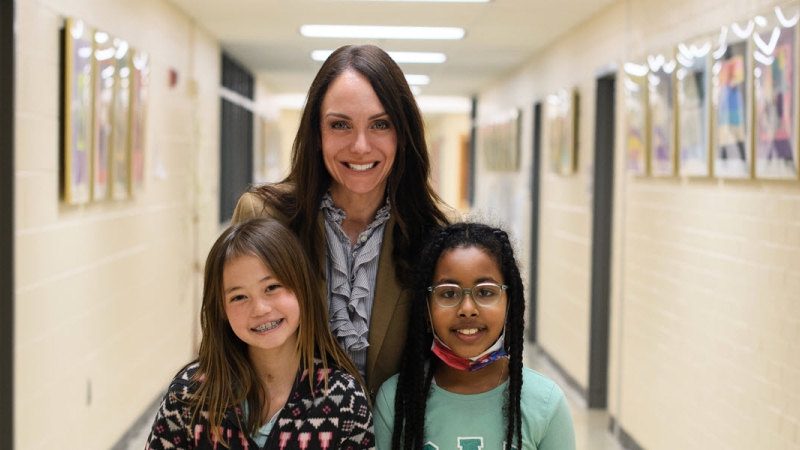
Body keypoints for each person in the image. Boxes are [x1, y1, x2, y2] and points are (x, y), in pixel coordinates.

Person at [232, 44, 453, 396]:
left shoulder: (436, 234)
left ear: (403, 135)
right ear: (317, 134)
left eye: (381, 124)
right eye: (340, 125)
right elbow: (228, 342)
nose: (361, 146)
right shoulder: (264, 218)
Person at [145, 218, 374, 450]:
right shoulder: (189, 395)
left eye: (272, 287)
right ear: (221, 310)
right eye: (239, 297)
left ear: (302, 288)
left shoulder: (345, 401)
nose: (260, 309)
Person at [374, 222, 576, 450]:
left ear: (510, 303)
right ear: (426, 310)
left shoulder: (546, 403)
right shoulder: (396, 400)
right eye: (449, 293)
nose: (467, 308)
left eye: (485, 292)